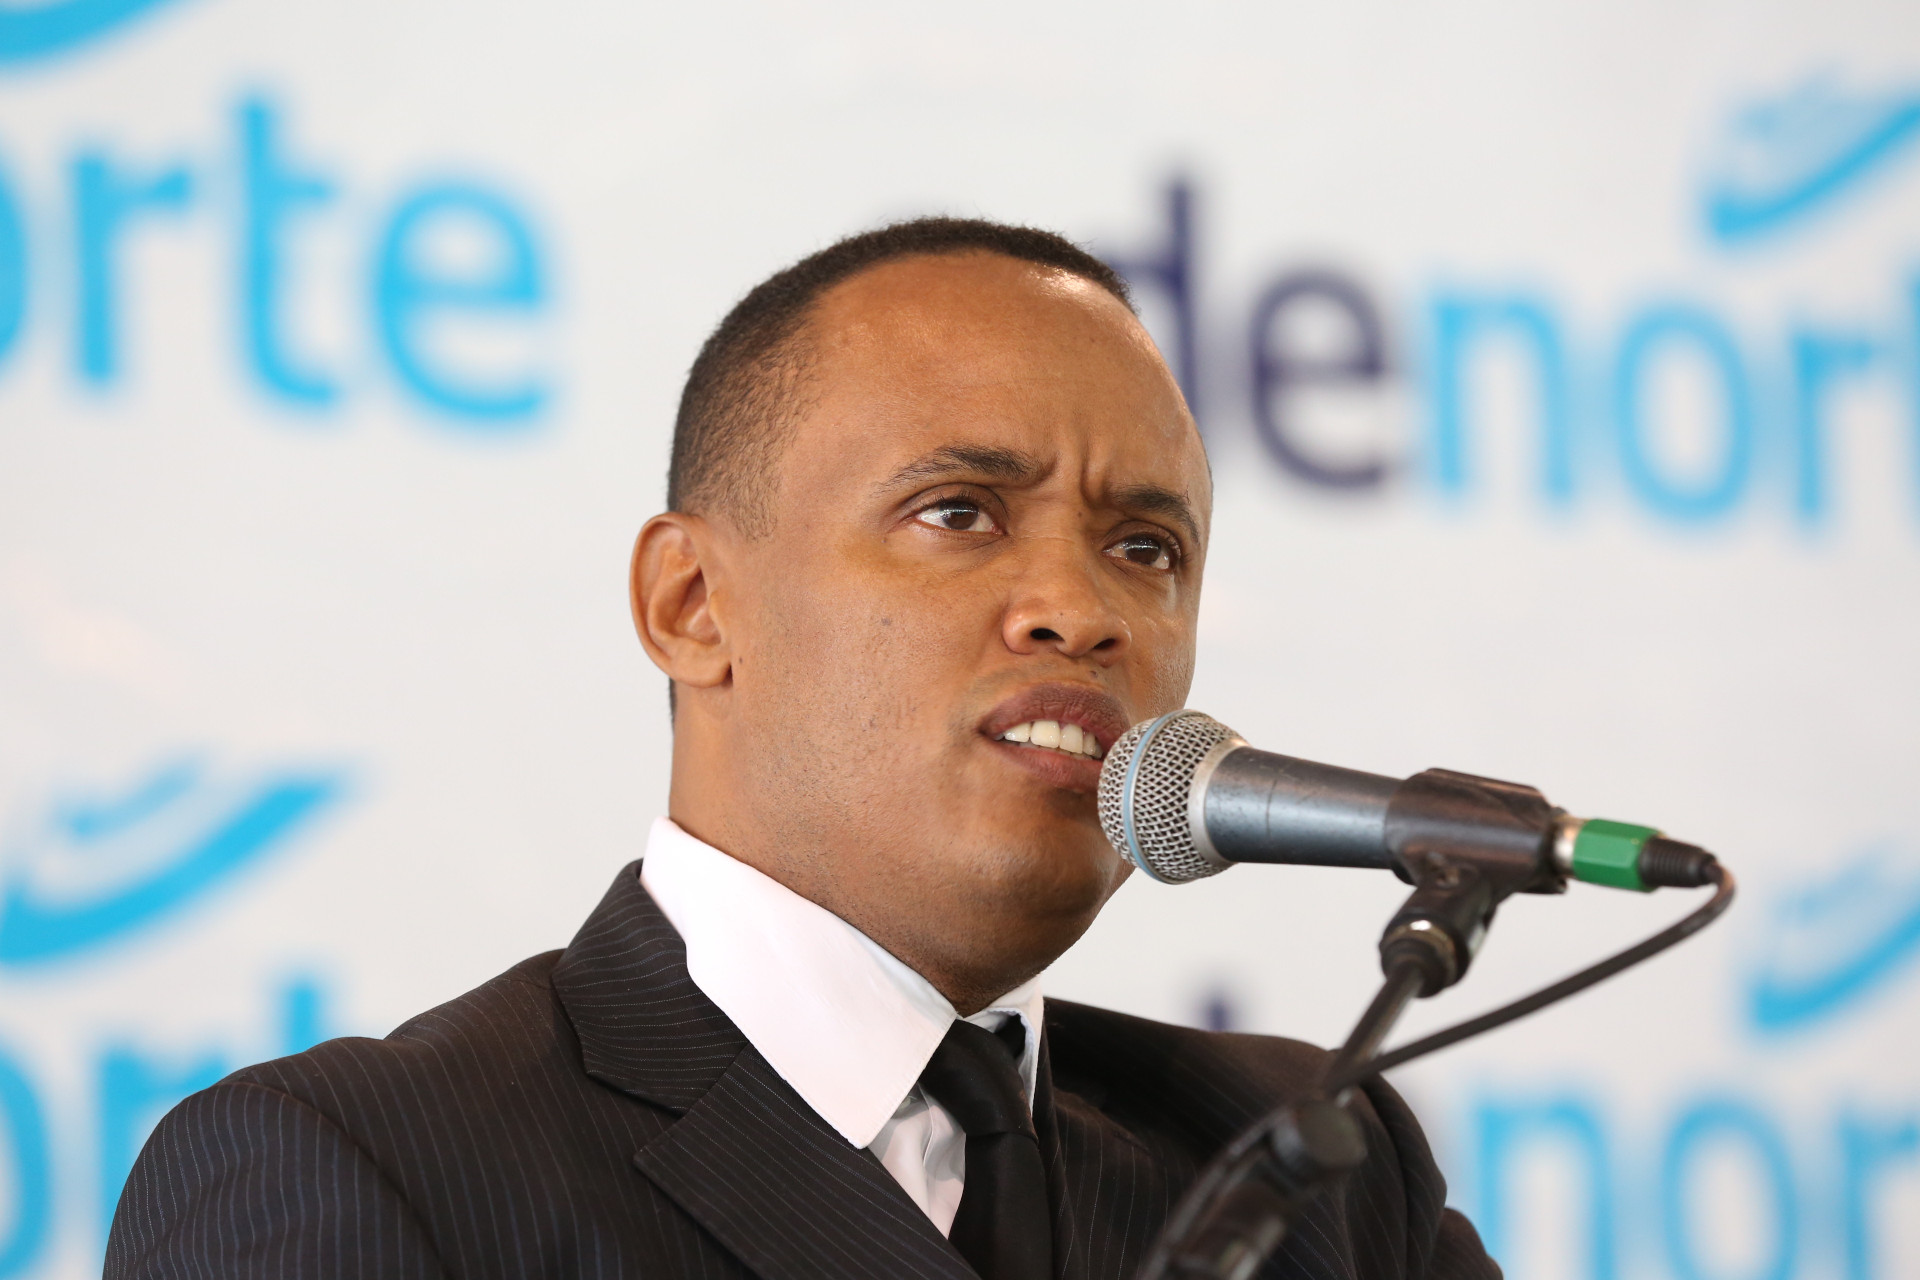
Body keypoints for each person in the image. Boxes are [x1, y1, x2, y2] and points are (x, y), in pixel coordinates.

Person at [106, 218, 1499, 1280]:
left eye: (1145, 547)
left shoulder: (1318, 1174)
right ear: (692, 606)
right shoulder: (366, 1168)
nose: (1080, 611)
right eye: (959, 512)